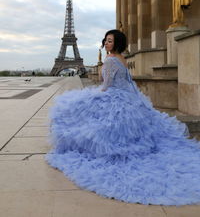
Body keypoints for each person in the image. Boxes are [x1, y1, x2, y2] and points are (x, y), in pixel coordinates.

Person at [46, 29, 200, 206]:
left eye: (110, 41)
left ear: (116, 43)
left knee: (75, 108)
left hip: (115, 96)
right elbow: (127, 83)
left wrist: (93, 95)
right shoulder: (121, 59)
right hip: (128, 98)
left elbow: (106, 86)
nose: (106, 43)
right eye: (106, 40)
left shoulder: (110, 60)